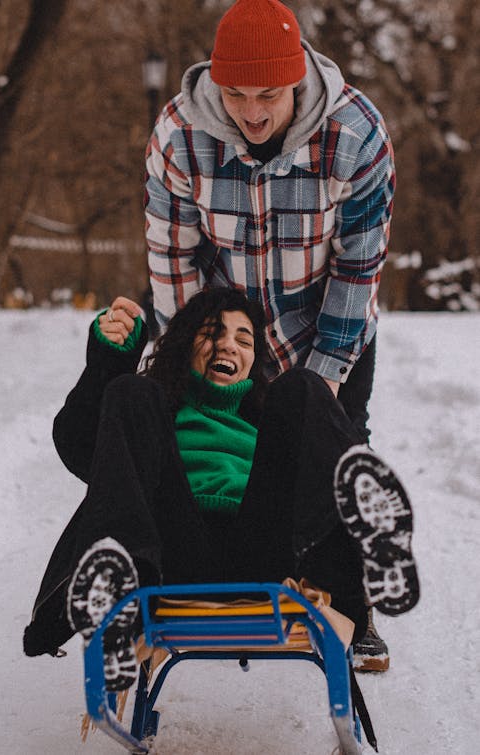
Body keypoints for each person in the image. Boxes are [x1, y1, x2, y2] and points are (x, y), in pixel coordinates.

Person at [144, 0, 396, 668]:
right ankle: (220, 584)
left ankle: (351, 600)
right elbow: (173, 261)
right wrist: (192, 363)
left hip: (325, 324)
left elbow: (357, 268)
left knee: (331, 445)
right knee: (215, 443)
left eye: (267, 96)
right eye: (235, 95)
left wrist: (316, 388)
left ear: (297, 83)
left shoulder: (357, 136)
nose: (251, 113)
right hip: (227, 327)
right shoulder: (178, 136)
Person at [23, 289, 418, 691]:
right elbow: (80, 447)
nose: (229, 344)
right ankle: (121, 589)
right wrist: (110, 361)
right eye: (213, 333)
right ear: (185, 344)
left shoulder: (269, 421)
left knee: (302, 385)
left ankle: (366, 541)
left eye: (244, 340)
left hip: (262, 553)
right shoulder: (156, 408)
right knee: (132, 389)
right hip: (170, 555)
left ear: (252, 359)